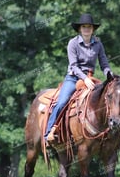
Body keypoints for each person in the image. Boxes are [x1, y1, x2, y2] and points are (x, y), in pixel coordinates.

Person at [45, 13, 113, 141]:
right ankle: (49, 132)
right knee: (62, 102)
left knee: (107, 99)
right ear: (79, 29)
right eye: (84, 26)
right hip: (74, 78)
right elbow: (74, 66)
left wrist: (110, 75)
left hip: (90, 78)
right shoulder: (73, 43)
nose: (86, 29)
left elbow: (104, 63)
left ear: (93, 29)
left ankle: (111, 133)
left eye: (89, 27)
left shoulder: (98, 44)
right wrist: (85, 79)